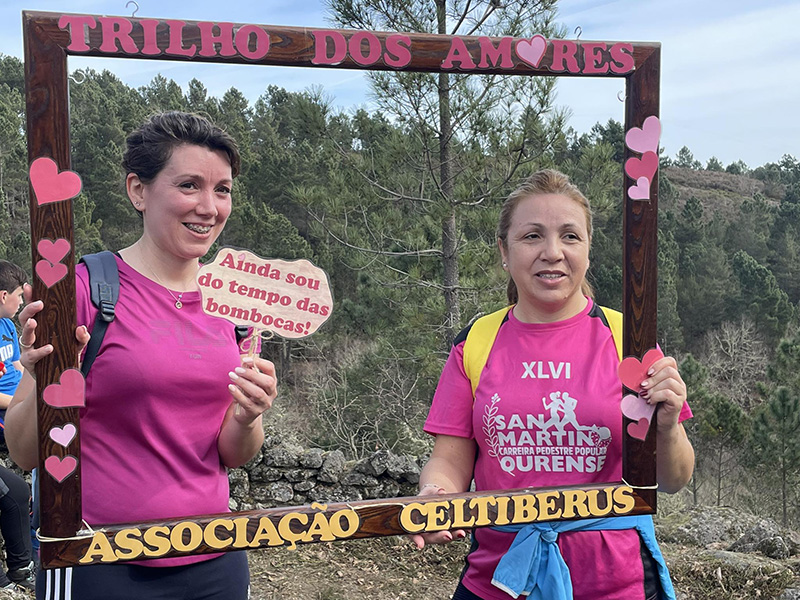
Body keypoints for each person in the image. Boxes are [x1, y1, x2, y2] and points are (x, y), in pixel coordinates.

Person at [5, 112, 278, 600]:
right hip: (99, 560)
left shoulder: (236, 305)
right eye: (190, 185)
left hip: (216, 557)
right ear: (138, 190)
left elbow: (233, 455)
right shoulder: (83, 291)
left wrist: (247, 415)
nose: (209, 207)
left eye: (223, 189)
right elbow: (25, 452)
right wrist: (35, 370)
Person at [412, 169, 694, 600]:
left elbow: (673, 479)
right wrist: (437, 496)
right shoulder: (476, 343)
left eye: (569, 236)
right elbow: (449, 461)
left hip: (618, 584)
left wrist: (669, 425)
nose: (552, 252)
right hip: (499, 583)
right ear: (504, 252)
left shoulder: (631, 342)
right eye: (531, 236)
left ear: (588, 249)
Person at [0, 260, 36, 591]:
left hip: (17, 415)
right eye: (17, 296)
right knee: (14, 493)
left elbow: (17, 367)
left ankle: (23, 570)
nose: (21, 302)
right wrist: (20, 407)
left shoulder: (10, 327)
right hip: (8, 420)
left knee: (21, 491)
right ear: (2, 296)